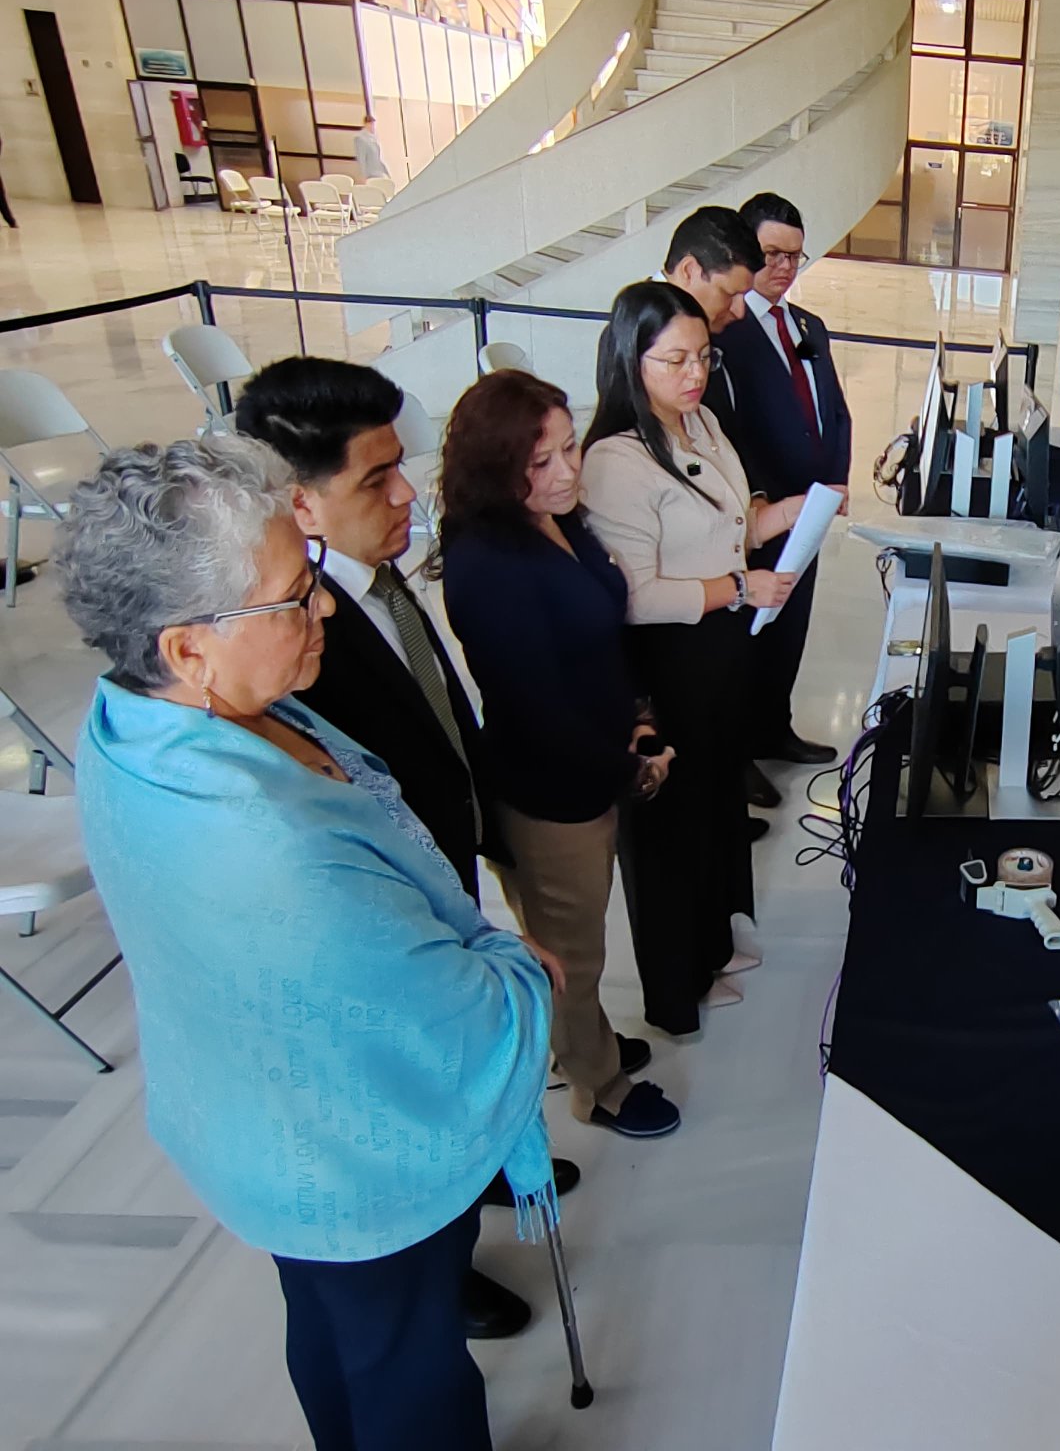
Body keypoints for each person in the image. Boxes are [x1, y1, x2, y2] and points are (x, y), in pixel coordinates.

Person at [59, 438, 561, 1451]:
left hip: (261, 1116)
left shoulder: (140, 718)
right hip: (348, 1149)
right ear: (186, 649)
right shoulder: (266, 845)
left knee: (339, 1331)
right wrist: (527, 974)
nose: (324, 607)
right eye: (293, 597)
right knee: (405, 1365)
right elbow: (459, 1022)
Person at [233, 355, 554, 1340]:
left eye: (400, 465)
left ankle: (489, 1165)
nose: (407, 492)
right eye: (375, 479)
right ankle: (443, 1267)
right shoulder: (292, 647)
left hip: (441, 863)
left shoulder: (378, 580)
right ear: (301, 503)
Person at [436, 370, 681, 1139]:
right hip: (549, 789)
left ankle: (587, 1043)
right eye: (542, 462)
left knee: (584, 940)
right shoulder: (488, 563)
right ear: (497, 468)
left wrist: (638, 722)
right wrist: (628, 769)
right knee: (569, 954)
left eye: (569, 448)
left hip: (595, 758)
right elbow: (539, 704)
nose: (568, 471)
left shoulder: (559, 521)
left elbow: (599, 640)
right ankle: (598, 1087)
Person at [581, 282, 822, 1032]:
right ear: (630, 360)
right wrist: (738, 588)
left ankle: (715, 945)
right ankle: (674, 987)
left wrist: (784, 516)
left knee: (718, 803)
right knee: (672, 830)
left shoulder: (703, 424)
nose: (694, 374)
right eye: (675, 360)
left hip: (721, 650)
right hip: (669, 662)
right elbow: (636, 595)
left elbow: (728, 524)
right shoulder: (615, 461)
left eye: (703, 357)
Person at [721, 191, 848, 789]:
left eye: (795, 257)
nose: (785, 268)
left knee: (792, 621)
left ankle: (776, 727)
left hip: (812, 506)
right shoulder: (724, 329)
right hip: (760, 511)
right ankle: (738, 748)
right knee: (748, 631)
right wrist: (761, 502)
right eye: (773, 254)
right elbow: (726, 428)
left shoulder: (806, 325)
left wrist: (837, 477)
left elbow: (833, 411)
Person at [663, 203, 763, 433]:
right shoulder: (637, 333)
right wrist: (702, 468)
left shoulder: (717, 328)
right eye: (729, 294)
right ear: (689, 271)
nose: (739, 312)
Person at [353, 114, 388, 182]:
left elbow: (378, 156)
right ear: (366, 124)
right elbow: (361, 158)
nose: (373, 127)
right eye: (371, 124)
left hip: (378, 171)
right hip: (370, 173)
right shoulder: (360, 138)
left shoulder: (373, 137)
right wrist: (363, 176)